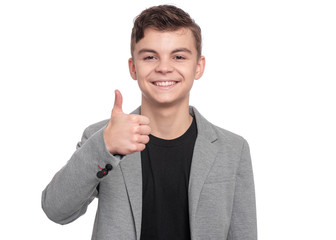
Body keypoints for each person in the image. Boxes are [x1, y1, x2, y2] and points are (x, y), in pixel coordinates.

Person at [42, 5, 257, 240]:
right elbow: (56, 210)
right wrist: (104, 146)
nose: (164, 68)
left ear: (198, 66)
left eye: (178, 56)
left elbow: (243, 234)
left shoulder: (233, 149)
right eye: (150, 57)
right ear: (133, 68)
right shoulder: (103, 137)